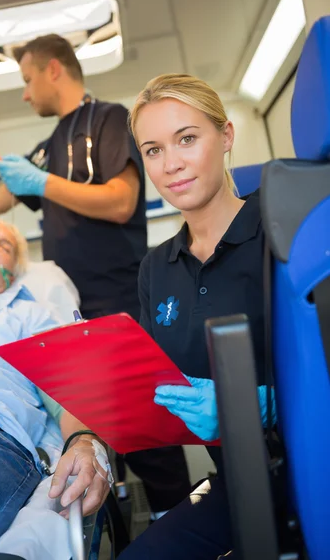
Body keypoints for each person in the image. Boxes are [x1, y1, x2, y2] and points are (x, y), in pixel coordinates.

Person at [0, 34, 191, 516]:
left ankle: (176, 522)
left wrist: (42, 183)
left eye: (28, 79)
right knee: (103, 429)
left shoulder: (109, 119)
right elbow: (1, 199)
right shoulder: (48, 147)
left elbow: (120, 201)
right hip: (71, 310)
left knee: (146, 433)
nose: (25, 94)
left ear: (54, 70)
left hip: (118, 297)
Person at [116, 73, 277, 559]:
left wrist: (256, 407)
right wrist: (85, 432)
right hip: (235, 485)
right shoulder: (155, 269)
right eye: (153, 150)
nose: (171, 165)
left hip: (315, 465)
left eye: (186, 139)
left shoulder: (281, 234)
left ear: (226, 137)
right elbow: (146, 381)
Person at [0, 217, 111, 551]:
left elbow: (64, 387)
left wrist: (85, 440)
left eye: (5, 245)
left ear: (10, 275)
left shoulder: (25, 313)